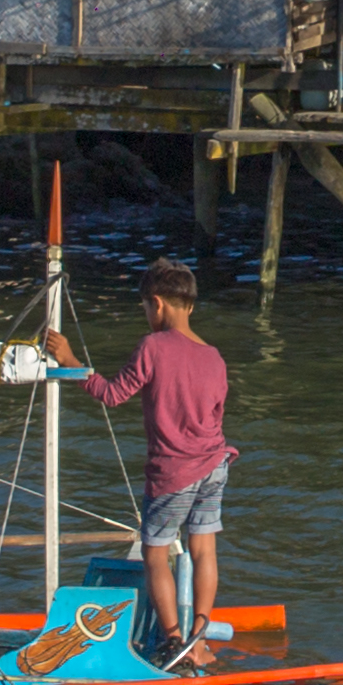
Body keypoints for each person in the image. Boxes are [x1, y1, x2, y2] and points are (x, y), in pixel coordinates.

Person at [50, 258, 232, 664]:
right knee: (204, 551)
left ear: (158, 304)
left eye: (146, 309)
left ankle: (173, 640)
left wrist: (68, 359)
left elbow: (112, 394)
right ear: (191, 305)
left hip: (174, 471)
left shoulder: (153, 347)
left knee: (155, 553)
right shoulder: (215, 357)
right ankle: (199, 641)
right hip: (215, 464)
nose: (147, 317)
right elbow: (215, 415)